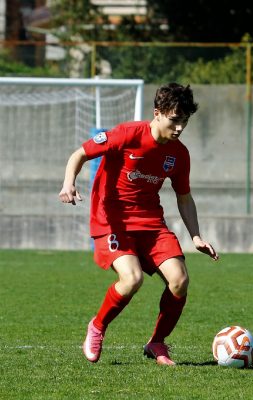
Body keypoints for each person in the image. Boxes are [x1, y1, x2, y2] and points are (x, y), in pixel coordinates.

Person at [59, 83, 219, 365]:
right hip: (112, 221)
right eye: (174, 119)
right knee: (132, 278)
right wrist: (68, 183)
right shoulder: (127, 134)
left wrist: (196, 236)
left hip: (151, 224)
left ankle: (157, 342)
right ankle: (97, 326)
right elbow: (79, 154)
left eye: (185, 121)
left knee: (179, 281)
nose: (180, 127)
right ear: (157, 113)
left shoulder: (179, 154)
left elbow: (184, 198)